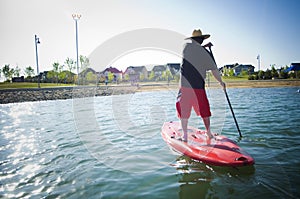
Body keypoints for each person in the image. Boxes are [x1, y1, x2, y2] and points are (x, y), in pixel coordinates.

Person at [176, 29, 225, 142]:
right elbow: (214, 70)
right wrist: (221, 82)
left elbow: (196, 50)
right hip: (198, 86)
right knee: (204, 110)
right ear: (202, 40)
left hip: (185, 86)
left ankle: (184, 136)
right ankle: (209, 133)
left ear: (192, 40)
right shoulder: (205, 53)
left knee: (184, 110)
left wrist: (205, 50)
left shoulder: (186, 47)